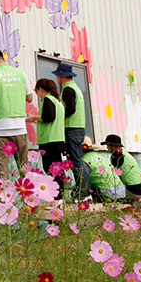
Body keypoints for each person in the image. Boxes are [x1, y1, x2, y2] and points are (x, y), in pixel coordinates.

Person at [0, 49, 33, 179]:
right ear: (2, 59)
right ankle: (31, 192)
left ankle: (2, 193)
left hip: (0, 129)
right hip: (20, 127)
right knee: (24, 166)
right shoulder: (21, 74)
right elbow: (30, 98)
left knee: (1, 169)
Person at [53, 63, 90, 200]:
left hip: (72, 128)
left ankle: (83, 193)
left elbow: (70, 109)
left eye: (57, 75)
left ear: (61, 76)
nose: (57, 78)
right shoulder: (76, 87)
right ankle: (85, 192)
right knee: (77, 161)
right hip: (79, 128)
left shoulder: (67, 89)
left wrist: (58, 115)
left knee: (76, 163)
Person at [26, 79, 66, 203]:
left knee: (50, 169)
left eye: (36, 91)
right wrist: (36, 120)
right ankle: (60, 196)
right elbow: (51, 120)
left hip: (49, 140)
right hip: (57, 138)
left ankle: (55, 197)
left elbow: (49, 117)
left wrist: (33, 117)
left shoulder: (47, 100)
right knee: (57, 169)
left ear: (40, 89)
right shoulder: (57, 101)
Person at [101, 134, 141, 207]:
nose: (107, 147)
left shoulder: (117, 155)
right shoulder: (124, 153)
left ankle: (134, 199)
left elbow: (113, 174)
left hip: (133, 189)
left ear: (113, 145)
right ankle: (136, 201)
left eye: (108, 145)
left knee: (107, 190)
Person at [81, 138, 125, 202]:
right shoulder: (100, 156)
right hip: (121, 192)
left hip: (109, 194)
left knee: (87, 189)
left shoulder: (85, 160)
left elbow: (82, 180)